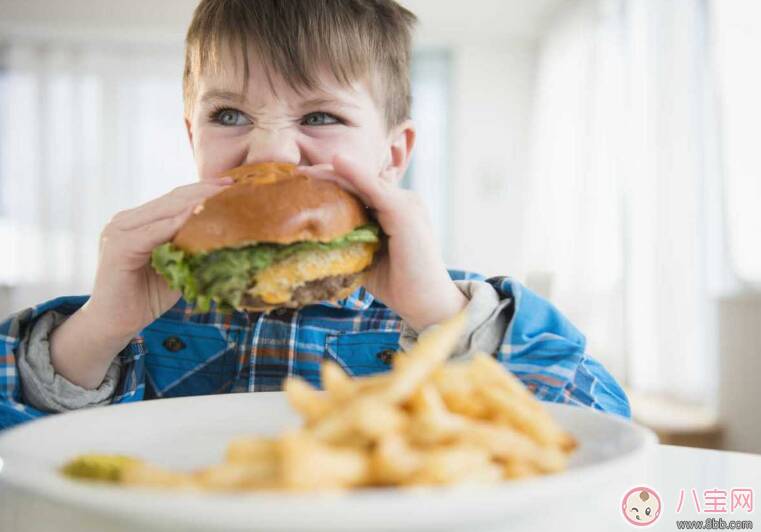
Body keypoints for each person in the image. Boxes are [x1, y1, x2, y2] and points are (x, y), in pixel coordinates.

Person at [0, 0, 629, 430]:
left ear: (391, 155)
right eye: (229, 116)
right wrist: (95, 329)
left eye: (320, 117)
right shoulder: (136, 316)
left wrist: (443, 318)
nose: (270, 151)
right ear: (192, 136)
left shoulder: (444, 306)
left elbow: (600, 427)